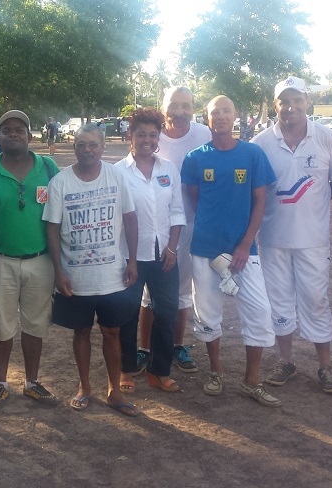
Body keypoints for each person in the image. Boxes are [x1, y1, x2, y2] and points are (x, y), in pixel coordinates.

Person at [181, 95, 281, 408]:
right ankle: (216, 371)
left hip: (244, 252)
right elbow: (195, 200)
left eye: (226, 111)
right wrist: (215, 233)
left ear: (235, 116)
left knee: (260, 313)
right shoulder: (195, 158)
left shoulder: (252, 154)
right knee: (208, 313)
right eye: (215, 113)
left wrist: (243, 243)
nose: (221, 117)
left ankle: (251, 382)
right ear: (206, 119)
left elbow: (260, 202)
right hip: (206, 250)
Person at [252, 76, 332, 394]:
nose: (290, 106)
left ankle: (325, 366)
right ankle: (286, 362)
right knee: (278, 302)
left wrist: (308, 213)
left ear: (307, 102)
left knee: (316, 300)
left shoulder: (328, 138)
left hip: (313, 240)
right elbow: (255, 192)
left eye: (297, 100)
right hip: (272, 239)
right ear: (275, 103)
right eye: (283, 101)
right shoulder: (261, 143)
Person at [42, 123, 141, 417]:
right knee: (81, 332)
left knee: (112, 332)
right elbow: (52, 229)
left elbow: (131, 220)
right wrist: (58, 270)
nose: (87, 150)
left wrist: (133, 260)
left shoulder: (117, 177)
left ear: (103, 147)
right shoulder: (60, 183)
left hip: (112, 274)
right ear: (74, 148)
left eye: (93, 145)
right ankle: (85, 387)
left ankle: (114, 390)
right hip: (76, 277)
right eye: (81, 145)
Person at [0, 110, 59, 410]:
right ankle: (0, 383)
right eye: (7, 130)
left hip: (41, 260)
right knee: (1, 325)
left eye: (20, 130)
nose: (13, 134)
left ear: (29, 135)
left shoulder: (48, 167)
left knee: (35, 324)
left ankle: (32, 383)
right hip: (0, 259)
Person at [137, 87, 212, 377]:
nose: (179, 112)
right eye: (174, 105)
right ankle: (144, 348)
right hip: (153, 228)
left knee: (181, 291)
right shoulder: (153, 135)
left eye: (186, 105)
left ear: (194, 108)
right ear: (162, 106)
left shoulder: (204, 135)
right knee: (148, 295)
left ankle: (177, 345)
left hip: (190, 225)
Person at [115, 107, 186, 394]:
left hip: (165, 255)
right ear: (130, 136)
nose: (147, 140)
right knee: (128, 314)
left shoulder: (168, 169)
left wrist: (172, 248)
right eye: (141, 134)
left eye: (153, 135)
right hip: (130, 257)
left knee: (167, 312)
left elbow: (178, 212)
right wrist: (126, 259)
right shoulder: (117, 172)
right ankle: (126, 369)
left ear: (159, 137)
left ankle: (159, 371)